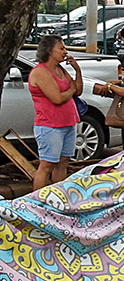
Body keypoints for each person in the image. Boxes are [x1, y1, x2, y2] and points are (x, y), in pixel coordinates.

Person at [28, 35, 83, 190]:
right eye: (61, 48)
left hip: (68, 122)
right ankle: (37, 201)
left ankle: (58, 196)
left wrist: (77, 70)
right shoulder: (40, 72)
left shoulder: (60, 70)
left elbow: (77, 90)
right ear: (49, 51)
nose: (65, 52)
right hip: (50, 125)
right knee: (47, 164)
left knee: (63, 163)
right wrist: (70, 90)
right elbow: (57, 98)